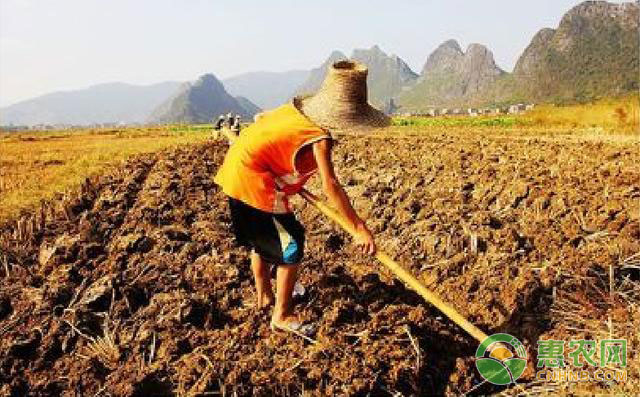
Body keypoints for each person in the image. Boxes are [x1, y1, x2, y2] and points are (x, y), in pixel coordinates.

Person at [214, 60, 389, 335]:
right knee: (290, 245)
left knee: (263, 241)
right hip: (255, 184)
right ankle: (282, 315)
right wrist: (358, 227)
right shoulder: (319, 137)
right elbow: (331, 185)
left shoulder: (293, 113)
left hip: (236, 175)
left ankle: (265, 296)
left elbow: (261, 119)